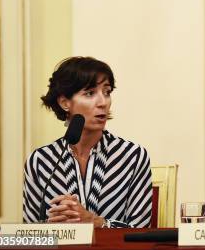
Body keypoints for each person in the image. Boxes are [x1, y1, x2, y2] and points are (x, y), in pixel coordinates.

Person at [23, 57, 152, 228]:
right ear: (64, 103)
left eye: (107, 92)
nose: (103, 102)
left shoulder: (132, 156)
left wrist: (96, 222)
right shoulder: (40, 160)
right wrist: (52, 225)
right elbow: (28, 236)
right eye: (90, 93)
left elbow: (141, 232)